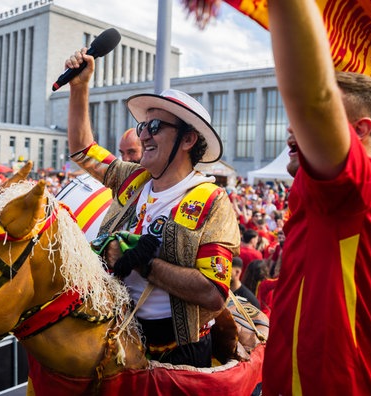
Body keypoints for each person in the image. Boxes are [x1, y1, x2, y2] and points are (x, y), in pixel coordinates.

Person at [263, 0, 371, 393]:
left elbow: (313, 98)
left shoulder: (352, 189)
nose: (292, 131)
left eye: (308, 126)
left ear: (359, 130)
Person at [64, 49, 240, 368]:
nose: (143, 135)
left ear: (187, 140)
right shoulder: (136, 178)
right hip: (124, 336)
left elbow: (214, 293)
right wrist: (79, 87)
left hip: (181, 352)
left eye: (154, 125)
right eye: (142, 126)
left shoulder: (211, 199)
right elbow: (82, 151)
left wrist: (144, 262)